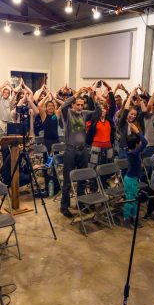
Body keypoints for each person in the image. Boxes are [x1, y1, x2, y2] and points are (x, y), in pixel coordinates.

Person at [59, 87, 98, 218]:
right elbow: (63, 106)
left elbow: (97, 113)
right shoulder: (68, 113)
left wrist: (93, 97)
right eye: (78, 105)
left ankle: (81, 204)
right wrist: (77, 94)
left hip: (83, 150)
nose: (80, 107)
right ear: (73, 104)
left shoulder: (84, 113)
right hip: (70, 150)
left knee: (82, 178)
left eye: (82, 105)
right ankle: (64, 206)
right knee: (68, 180)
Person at [122, 124, 147, 228]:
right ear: (136, 144)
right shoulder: (133, 153)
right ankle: (126, 219)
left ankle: (134, 217)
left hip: (134, 179)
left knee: (135, 200)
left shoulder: (132, 151)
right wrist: (137, 131)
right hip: (130, 180)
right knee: (130, 200)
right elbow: (145, 142)